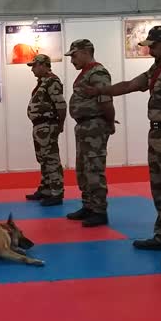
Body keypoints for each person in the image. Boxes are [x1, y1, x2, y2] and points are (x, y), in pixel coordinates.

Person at [81, 25, 161, 268]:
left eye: (154, 45)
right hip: (159, 133)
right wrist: (99, 90)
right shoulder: (159, 66)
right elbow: (130, 85)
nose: (150, 49)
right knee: (160, 189)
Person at [64, 39, 116, 227]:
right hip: (85, 127)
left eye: (75, 55)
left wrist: (109, 122)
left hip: (94, 126)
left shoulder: (98, 73)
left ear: (87, 52)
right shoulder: (86, 73)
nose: (72, 61)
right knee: (83, 169)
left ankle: (99, 211)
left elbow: (106, 101)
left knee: (94, 168)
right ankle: (88, 205)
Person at [24, 54, 67, 206]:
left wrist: (60, 124)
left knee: (51, 159)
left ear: (43, 65)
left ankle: (57, 192)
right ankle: (46, 189)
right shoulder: (43, 82)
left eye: (34, 66)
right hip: (39, 126)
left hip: (47, 125)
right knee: (43, 158)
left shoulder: (52, 81)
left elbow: (61, 104)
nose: (33, 70)